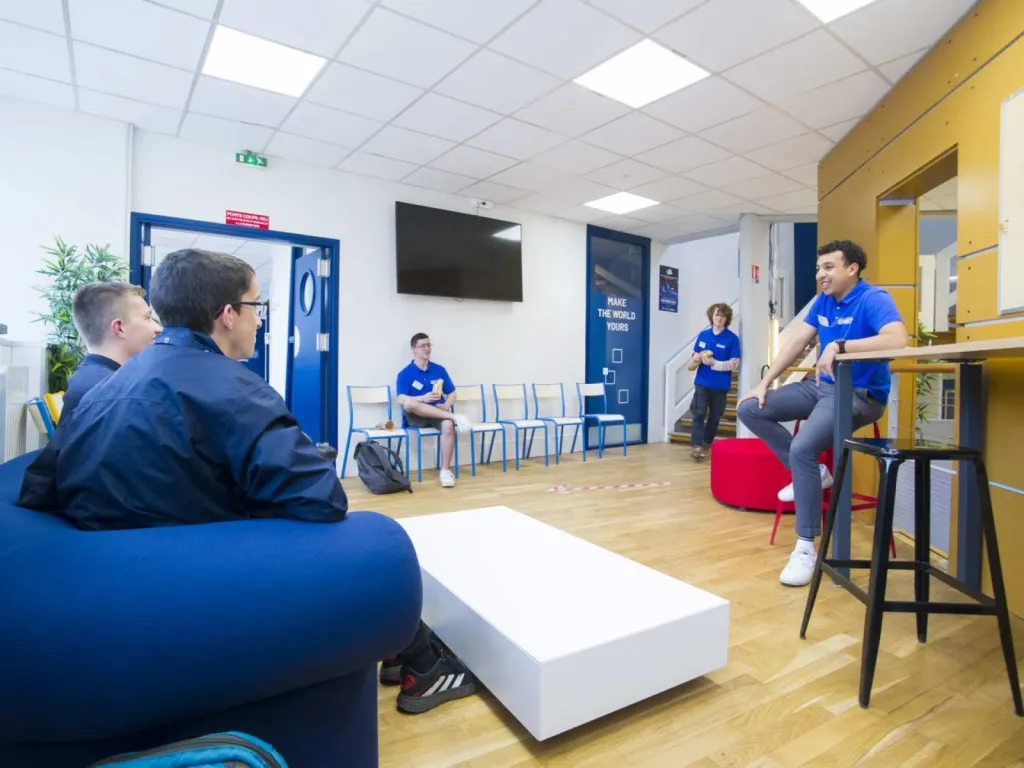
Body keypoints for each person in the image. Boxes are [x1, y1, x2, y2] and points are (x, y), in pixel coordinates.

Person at [20, 248, 474, 714]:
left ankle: (401, 652)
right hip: (197, 581)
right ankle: (423, 666)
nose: (261, 321)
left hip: (111, 576)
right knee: (365, 536)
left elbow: (40, 484)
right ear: (227, 315)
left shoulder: (107, 383)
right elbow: (325, 501)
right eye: (257, 307)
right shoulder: (238, 390)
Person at [736, 240, 909, 587]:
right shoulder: (823, 302)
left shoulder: (874, 299)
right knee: (750, 408)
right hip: (823, 387)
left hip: (860, 394)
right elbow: (797, 342)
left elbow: (897, 339)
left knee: (801, 447)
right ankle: (815, 472)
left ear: (852, 268)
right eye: (818, 269)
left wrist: (840, 346)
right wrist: (766, 383)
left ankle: (804, 548)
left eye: (829, 267)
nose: (821, 275)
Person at [60, 281, 162, 423]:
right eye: (148, 318)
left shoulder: (90, 380)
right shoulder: (114, 395)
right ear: (119, 328)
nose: (159, 329)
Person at [395, 333, 469, 488]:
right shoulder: (405, 373)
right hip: (416, 415)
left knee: (448, 425)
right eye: (423, 346)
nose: (427, 348)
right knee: (410, 403)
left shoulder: (439, 370)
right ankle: (454, 417)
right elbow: (400, 399)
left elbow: (452, 392)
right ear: (413, 349)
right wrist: (422, 398)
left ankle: (444, 471)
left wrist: (447, 404)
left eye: (429, 345)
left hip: (438, 412)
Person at [689, 303, 740, 460]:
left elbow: (735, 363)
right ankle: (696, 446)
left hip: (720, 385)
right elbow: (694, 353)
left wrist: (714, 364)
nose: (719, 318)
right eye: (717, 315)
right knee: (698, 413)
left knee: (715, 417)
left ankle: (706, 444)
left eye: (723, 315)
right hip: (702, 382)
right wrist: (696, 357)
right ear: (712, 316)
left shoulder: (732, 339)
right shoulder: (703, 335)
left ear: (727, 318)